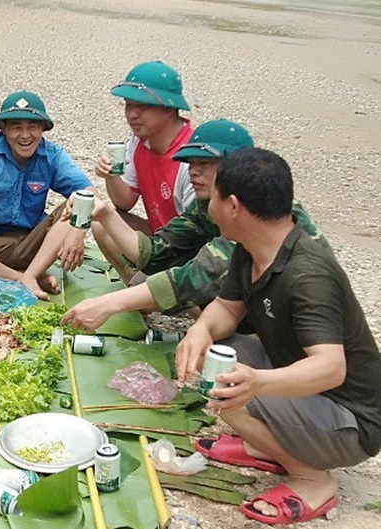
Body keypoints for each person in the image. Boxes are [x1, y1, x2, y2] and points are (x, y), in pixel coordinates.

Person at [174, 148, 381, 525]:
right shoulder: (251, 247)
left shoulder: (308, 274)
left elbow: (331, 368)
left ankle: (312, 479)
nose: (209, 206)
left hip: (352, 420)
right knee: (218, 357)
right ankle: (267, 446)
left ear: (233, 206)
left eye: (214, 197)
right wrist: (201, 330)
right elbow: (228, 309)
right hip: (309, 390)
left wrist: (256, 383)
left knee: (229, 393)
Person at [61, 120, 323, 332]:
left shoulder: (258, 210)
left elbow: (198, 277)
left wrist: (108, 304)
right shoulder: (209, 202)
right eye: (191, 164)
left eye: (204, 164)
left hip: (288, 326)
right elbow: (155, 253)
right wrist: (106, 214)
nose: (193, 172)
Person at [0, 90, 95, 300]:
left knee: (74, 205)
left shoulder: (53, 155)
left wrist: (79, 230)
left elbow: (90, 193)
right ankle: (24, 278)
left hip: (33, 245)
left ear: (42, 128)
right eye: (16, 127)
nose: (25, 135)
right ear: (3, 128)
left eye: (32, 127)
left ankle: (30, 274)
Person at [93, 61, 195, 282]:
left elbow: (199, 237)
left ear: (168, 108)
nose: (132, 115)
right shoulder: (138, 141)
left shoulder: (191, 159)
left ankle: (149, 289)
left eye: (142, 106)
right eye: (128, 105)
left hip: (189, 250)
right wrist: (112, 176)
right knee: (103, 222)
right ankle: (135, 285)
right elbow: (124, 202)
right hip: (160, 240)